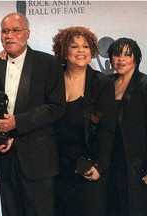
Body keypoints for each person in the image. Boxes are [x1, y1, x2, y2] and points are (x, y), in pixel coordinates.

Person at [0, 12, 66, 216]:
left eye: (15, 30)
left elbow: (56, 107)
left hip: (38, 160)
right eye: (4, 31)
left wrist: (17, 122)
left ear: (27, 33)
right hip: (6, 159)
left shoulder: (47, 63)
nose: (9, 35)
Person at [52, 26, 116, 216]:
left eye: (86, 46)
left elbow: (107, 129)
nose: (81, 51)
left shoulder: (101, 83)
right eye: (74, 46)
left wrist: (100, 165)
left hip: (89, 166)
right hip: (58, 168)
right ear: (64, 51)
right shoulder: (52, 79)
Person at [106, 38, 147, 216]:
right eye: (117, 55)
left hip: (137, 161)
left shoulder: (144, 84)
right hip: (110, 158)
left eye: (127, 55)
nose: (121, 59)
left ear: (136, 59)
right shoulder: (107, 82)